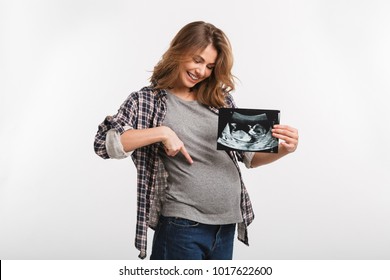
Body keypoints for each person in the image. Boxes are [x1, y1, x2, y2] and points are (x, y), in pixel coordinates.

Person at [94, 21, 299, 260]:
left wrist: (284, 149)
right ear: (178, 51)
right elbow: (104, 144)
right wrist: (163, 132)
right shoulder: (148, 100)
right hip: (182, 226)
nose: (201, 71)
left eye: (210, 66)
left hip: (226, 224)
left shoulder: (220, 99)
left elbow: (249, 158)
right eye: (197, 60)